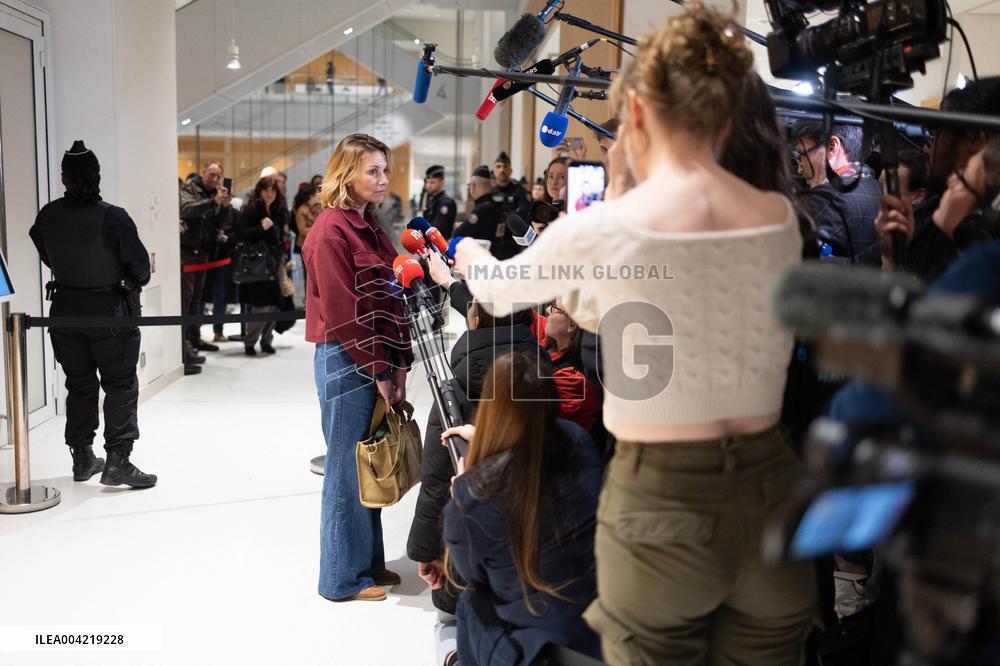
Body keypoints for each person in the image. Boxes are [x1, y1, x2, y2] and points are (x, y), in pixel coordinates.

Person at [454, 3, 815, 663]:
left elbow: (500, 290)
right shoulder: (777, 217)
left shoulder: (607, 229)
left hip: (664, 504)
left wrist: (471, 254)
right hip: (774, 497)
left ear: (640, 111)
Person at [302, 133, 412, 603]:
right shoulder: (330, 231)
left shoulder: (368, 225)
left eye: (385, 170)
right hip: (347, 360)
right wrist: (381, 370)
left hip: (372, 357)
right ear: (346, 174)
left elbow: (390, 295)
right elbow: (345, 314)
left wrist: (399, 361)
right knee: (347, 470)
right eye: (373, 171)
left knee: (370, 465)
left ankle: (366, 564)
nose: (383, 179)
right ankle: (341, 579)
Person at [407, 300, 547, 665]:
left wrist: (426, 551)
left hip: (469, 545)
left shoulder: (454, 386)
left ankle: (454, 654)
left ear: (474, 318)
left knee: (450, 616)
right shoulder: (542, 374)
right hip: (537, 548)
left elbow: (435, 479)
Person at [442, 352, 603, 666]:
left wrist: (464, 489)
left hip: (538, 652)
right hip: (596, 632)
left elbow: (471, 573)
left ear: (489, 408)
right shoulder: (579, 442)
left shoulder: (471, 497)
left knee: (471, 601)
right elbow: (532, 447)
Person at [29, 140, 156, 488]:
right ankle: (117, 461)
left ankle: (83, 457)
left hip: (65, 313)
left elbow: (46, 253)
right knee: (120, 386)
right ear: (97, 175)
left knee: (79, 385)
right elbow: (141, 268)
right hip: (109, 314)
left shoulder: (48, 215)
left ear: (64, 177)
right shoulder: (113, 217)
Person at [875, 76, 1000, 279]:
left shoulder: (978, 235)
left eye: (936, 133)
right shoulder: (933, 213)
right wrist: (892, 258)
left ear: (974, 139)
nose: (928, 146)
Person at [791, 120, 883, 264]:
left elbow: (797, 263)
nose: (800, 169)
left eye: (802, 155)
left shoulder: (822, 199)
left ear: (831, 147)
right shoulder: (880, 189)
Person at [179, 160, 230, 367]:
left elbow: (221, 223)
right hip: (188, 250)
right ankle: (184, 342)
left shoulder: (216, 194)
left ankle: (194, 337)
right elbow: (186, 209)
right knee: (187, 296)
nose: (215, 179)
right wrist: (212, 202)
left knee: (198, 297)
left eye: (218, 176)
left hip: (205, 251)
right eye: (212, 174)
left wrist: (224, 207)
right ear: (203, 172)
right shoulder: (189, 188)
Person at [234, 176, 285, 355]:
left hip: (274, 262)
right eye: (266, 190)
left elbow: (279, 237)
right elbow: (239, 233)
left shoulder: (278, 210)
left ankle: (266, 340)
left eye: (273, 190)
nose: (269, 194)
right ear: (259, 191)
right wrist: (261, 228)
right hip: (258, 264)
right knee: (261, 305)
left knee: (275, 304)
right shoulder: (253, 209)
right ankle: (250, 342)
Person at [454, 165, 516, 260]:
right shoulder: (495, 205)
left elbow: (459, 234)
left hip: (482, 260)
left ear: (473, 185)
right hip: (496, 258)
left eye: (470, 185)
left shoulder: (482, 209)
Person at [420, 165, 458, 239]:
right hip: (430, 241)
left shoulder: (445, 202)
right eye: (427, 182)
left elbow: (436, 227)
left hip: (440, 243)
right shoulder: (431, 200)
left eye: (432, 182)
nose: (428, 185)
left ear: (441, 182)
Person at [491, 151, 531, 220]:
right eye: (498, 167)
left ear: (510, 171)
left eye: (505, 166)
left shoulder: (521, 191)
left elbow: (523, 213)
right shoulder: (489, 192)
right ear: (493, 171)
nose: (502, 170)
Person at [293, 185, 320, 284]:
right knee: (308, 273)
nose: (319, 195)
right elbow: (302, 230)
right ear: (311, 196)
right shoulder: (301, 210)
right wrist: (318, 228)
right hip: (305, 244)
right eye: (316, 194)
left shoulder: (318, 207)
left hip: (316, 244)